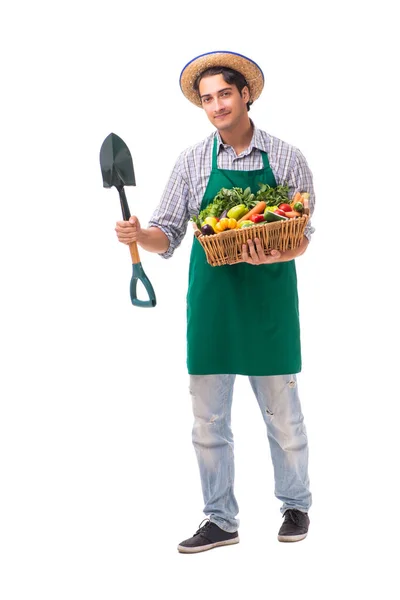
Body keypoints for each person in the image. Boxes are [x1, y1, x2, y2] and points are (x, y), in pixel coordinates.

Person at [115, 51, 315, 554]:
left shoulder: (288, 157)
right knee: (208, 422)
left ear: (246, 93)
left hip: (269, 304)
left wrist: (272, 254)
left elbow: (302, 235)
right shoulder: (191, 161)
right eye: (207, 99)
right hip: (212, 306)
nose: (217, 105)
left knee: (283, 418)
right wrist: (142, 233)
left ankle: (296, 505)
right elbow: (168, 233)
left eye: (224, 93)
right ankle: (220, 519)